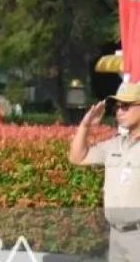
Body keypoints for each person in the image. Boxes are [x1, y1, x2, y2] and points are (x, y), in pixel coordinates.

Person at [69, 81, 140, 262]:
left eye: (125, 106)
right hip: (116, 235)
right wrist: (85, 126)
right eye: (117, 107)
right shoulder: (115, 144)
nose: (119, 112)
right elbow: (77, 158)